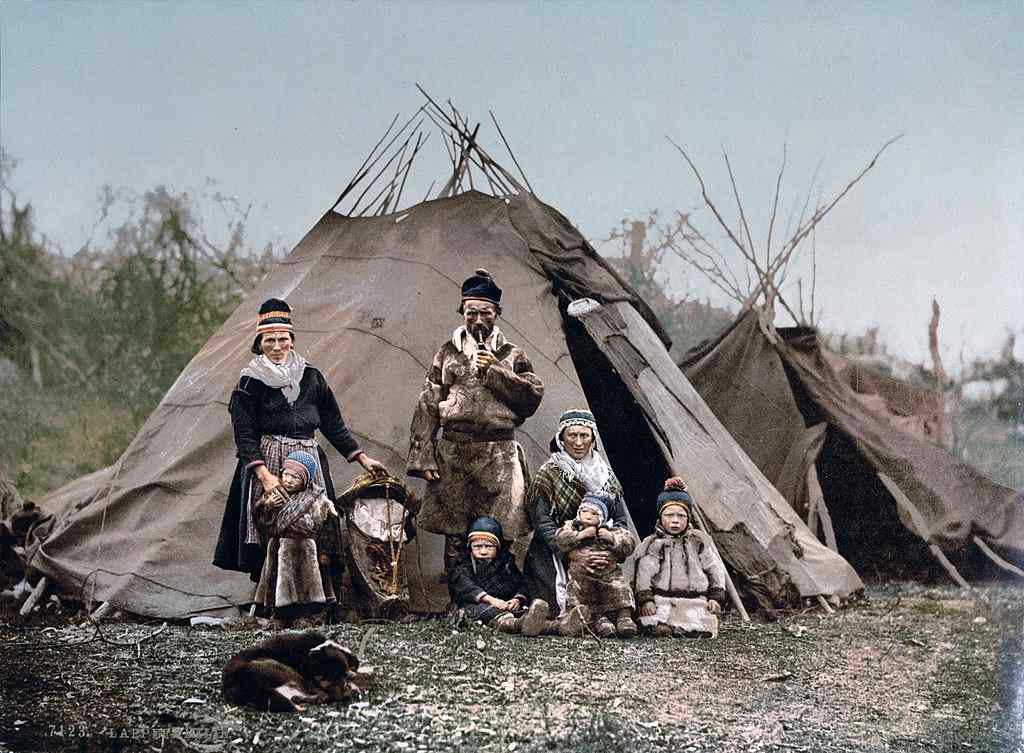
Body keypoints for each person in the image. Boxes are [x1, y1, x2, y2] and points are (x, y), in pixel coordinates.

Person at [213, 298, 387, 602]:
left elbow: (333, 424)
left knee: (315, 524)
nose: (277, 346)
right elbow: (244, 435)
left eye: (283, 339)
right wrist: (265, 476)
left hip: (309, 462)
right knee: (272, 526)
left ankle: (315, 598)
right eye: (270, 340)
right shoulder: (249, 382)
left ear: (292, 341)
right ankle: (272, 600)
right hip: (268, 461)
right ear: (259, 344)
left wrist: (361, 458)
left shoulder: (312, 377)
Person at [407, 269, 544, 573]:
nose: (478, 320)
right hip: (454, 452)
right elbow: (428, 402)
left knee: (502, 529)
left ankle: (504, 596)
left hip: (499, 453)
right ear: (463, 312)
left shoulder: (513, 354)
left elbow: (531, 399)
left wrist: (496, 371)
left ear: (497, 313)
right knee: (456, 531)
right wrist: (424, 456)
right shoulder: (448, 352)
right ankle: (462, 599)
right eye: (471, 313)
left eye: (486, 313)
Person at [523, 409, 629, 615]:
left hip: (598, 548)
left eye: (584, 436)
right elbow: (541, 521)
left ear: (593, 438)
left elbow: (620, 520)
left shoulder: (606, 475)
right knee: (556, 608)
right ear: (562, 438)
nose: (578, 443)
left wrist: (609, 550)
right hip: (556, 549)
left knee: (610, 602)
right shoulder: (548, 473)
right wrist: (571, 551)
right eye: (572, 435)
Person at [633, 477, 727, 638]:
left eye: (681, 516)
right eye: (669, 515)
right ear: (661, 518)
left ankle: (688, 628)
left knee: (703, 623)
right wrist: (646, 600)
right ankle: (665, 627)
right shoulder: (653, 543)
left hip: (695, 599)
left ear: (689, 517)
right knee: (653, 621)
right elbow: (644, 573)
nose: (675, 520)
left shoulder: (698, 541)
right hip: (662, 599)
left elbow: (714, 568)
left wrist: (715, 597)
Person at [254, 451, 338, 628]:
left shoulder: (317, 499)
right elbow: (262, 525)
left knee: (307, 585)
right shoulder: (274, 495)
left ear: (306, 480)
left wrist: (325, 552)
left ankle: (307, 615)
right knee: (279, 583)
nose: (288, 480)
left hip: (305, 549)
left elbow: (328, 528)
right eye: (285, 474)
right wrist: (266, 507)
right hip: (279, 547)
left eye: (295, 477)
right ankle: (280, 615)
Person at [447, 516, 553, 635]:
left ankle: (558, 626)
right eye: (477, 546)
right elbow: (466, 586)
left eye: (489, 546)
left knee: (526, 612)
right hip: (475, 606)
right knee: (487, 612)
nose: (483, 551)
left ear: (497, 548)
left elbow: (521, 583)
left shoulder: (505, 563)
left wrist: (517, 599)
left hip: (504, 604)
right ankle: (518, 625)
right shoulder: (463, 565)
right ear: (470, 547)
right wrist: (492, 601)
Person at [553, 494, 638, 638]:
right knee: (582, 595)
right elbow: (560, 540)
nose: (588, 516)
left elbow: (629, 543)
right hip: (583, 576)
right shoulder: (572, 527)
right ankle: (598, 622)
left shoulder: (609, 530)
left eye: (594, 513)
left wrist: (612, 538)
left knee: (620, 588)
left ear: (602, 518)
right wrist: (580, 535)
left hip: (609, 575)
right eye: (584, 512)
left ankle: (624, 618)